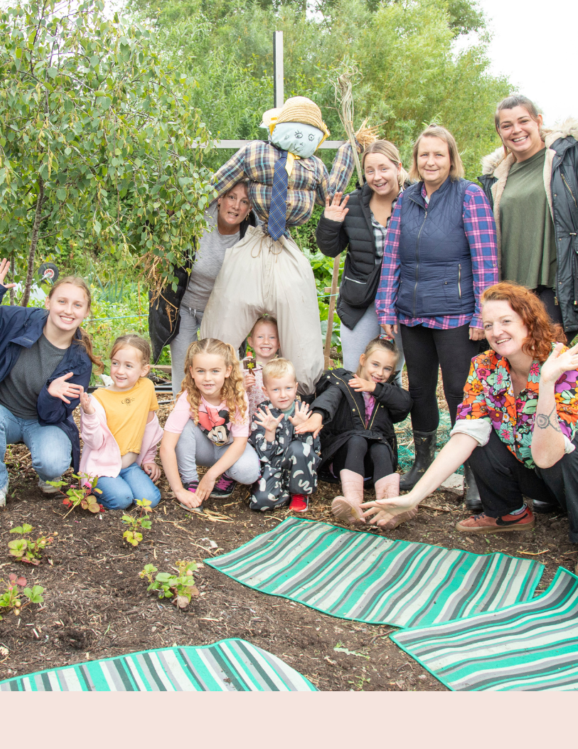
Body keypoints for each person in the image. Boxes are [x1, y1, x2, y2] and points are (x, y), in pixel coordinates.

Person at [363, 283, 578, 551]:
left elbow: (549, 457)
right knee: (471, 432)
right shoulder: (485, 366)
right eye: (488, 325)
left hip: (565, 474)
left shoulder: (564, 364)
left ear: (528, 320)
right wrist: (413, 498)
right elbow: (464, 436)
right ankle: (508, 512)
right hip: (536, 477)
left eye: (506, 321)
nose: (496, 332)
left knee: (570, 452)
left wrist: (546, 383)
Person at [200, 96, 368, 395]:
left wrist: (348, 151)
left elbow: (333, 195)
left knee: (303, 341)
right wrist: (178, 211)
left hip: (287, 252)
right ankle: (212, 393)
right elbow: (216, 183)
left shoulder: (314, 167)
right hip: (253, 247)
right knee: (220, 328)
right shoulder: (254, 153)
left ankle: (302, 399)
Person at [375, 125, 499, 508]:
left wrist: (483, 312)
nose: (430, 162)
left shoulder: (469, 195)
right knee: (419, 389)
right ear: (414, 161)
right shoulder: (406, 199)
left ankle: (476, 475)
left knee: (461, 392)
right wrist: (386, 307)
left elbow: (486, 258)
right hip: (412, 313)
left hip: (457, 314)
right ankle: (424, 463)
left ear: (450, 158)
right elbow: (392, 256)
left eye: (438, 155)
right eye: (423, 155)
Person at [0, 260, 102, 508]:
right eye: (62, 302)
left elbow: (54, 416)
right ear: (48, 303)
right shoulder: (18, 320)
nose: (68, 310)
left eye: (77, 305)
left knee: (53, 464)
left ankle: (47, 474)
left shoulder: (79, 359)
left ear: (86, 312)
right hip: (2, 414)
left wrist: (51, 395)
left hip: (42, 423)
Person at [478, 95, 578, 333]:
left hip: (554, 284)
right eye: (507, 125)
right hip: (511, 290)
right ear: (499, 131)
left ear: (538, 121)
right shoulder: (495, 178)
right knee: (521, 366)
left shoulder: (566, 160)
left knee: (550, 359)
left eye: (523, 121)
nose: (516, 130)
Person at [149, 183, 254, 394]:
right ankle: (185, 420)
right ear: (220, 199)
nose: (236, 206)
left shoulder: (252, 234)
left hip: (220, 313)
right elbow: (159, 217)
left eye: (244, 202)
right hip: (184, 307)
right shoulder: (198, 216)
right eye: (232, 197)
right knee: (185, 369)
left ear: (250, 209)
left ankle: (218, 419)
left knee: (219, 369)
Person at [296, 337, 412, 526]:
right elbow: (329, 398)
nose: (380, 373)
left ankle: (390, 505)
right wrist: (317, 416)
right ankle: (353, 503)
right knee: (357, 440)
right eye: (375, 364)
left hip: (373, 468)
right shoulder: (344, 382)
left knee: (381, 447)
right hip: (343, 461)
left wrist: (374, 388)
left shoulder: (387, 392)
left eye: (387, 369)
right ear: (362, 360)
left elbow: (405, 404)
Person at [315, 140, 407, 377]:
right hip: (361, 300)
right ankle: (356, 414)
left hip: (403, 300)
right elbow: (330, 248)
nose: (377, 177)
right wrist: (330, 222)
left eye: (384, 169)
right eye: (370, 171)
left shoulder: (414, 202)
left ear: (398, 167)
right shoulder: (353, 203)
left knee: (390, 372)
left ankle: (387, 414)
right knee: (355, 371)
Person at [159, 338, 260, 512]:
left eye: (215, 371)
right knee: (182, 428)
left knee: (249, 472)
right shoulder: (189, 397)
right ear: (191, 372)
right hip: (203, 449)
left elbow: (240, 442)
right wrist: (178, 490)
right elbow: (167, 446)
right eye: (200, 371)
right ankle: (190, 483)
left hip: (227, 450)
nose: (207, 378)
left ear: (227, 371)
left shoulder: (237, 396)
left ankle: (227, 475)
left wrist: (210, 475)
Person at [79, 334, 163, 510]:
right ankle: (93, 490)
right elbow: (93, 442)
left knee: (150, 500)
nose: (119, 371)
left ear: (144, 370)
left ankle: (121, 486)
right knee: (122, 500)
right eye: (115, 363)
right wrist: (89, 415)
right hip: (102, 468)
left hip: (129, 465)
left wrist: (148, 458)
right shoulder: (99, 399)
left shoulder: (146, 388)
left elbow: (150, 426)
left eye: (128, 366)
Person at [249, 358, 320, 513]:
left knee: (299, 448)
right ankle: (285, 493)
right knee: (260, 503)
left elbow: (313, 449)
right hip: (273, 465)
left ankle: (300, 493)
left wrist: (301, 427)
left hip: (297, 467)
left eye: (288, 388)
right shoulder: (262, 413)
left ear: (296, 388)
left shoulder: (303, 410)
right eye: (275, 390)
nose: (283, 395)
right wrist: (270, 431)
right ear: (265, 391)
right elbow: (263, 455)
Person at [242, 315, 280, 424]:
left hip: (275, 423)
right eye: (260, 337)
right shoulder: (247, 365)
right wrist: (242, 386)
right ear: (251, 341)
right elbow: (233, 394)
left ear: (279, 343)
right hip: (249, 424)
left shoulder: (281, 367)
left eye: (272, 337)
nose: (266, 342)